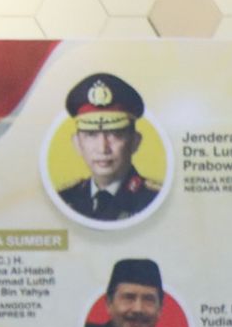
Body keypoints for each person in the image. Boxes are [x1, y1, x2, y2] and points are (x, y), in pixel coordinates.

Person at [56, 73, 160, 221]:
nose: (103, 148)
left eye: (115, 134)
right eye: (91, 134)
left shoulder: (153, 199)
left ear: (135, 141)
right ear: (77, 143)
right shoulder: (65, 198)